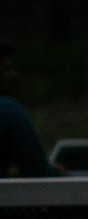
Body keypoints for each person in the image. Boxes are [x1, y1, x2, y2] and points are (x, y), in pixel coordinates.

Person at [0, 41, 53, 177]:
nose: (14, 75)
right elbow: (39, 174)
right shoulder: (7, 110)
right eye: (7, 69)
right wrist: (56, 172)